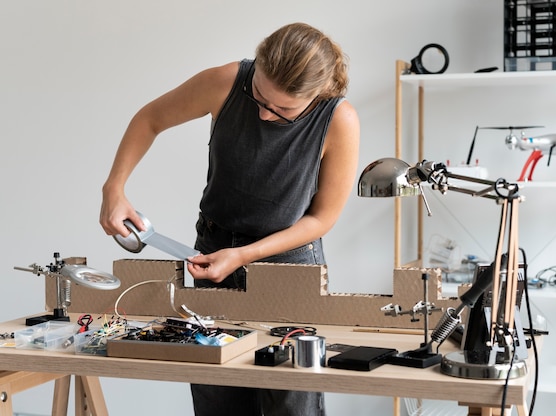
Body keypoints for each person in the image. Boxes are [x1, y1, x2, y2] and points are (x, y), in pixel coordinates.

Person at [99, 22, 360, 416]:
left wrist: (245, 256)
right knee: (217, 394)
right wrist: (114, 190)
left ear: (318, 94)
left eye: (284, 110)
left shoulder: (339, 120)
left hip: (288, 268)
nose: (265, 114)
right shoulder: (226, 80)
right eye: (259, 96)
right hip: (212, 255)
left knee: (291, 401)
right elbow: (150, 118)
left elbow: (322, 218)